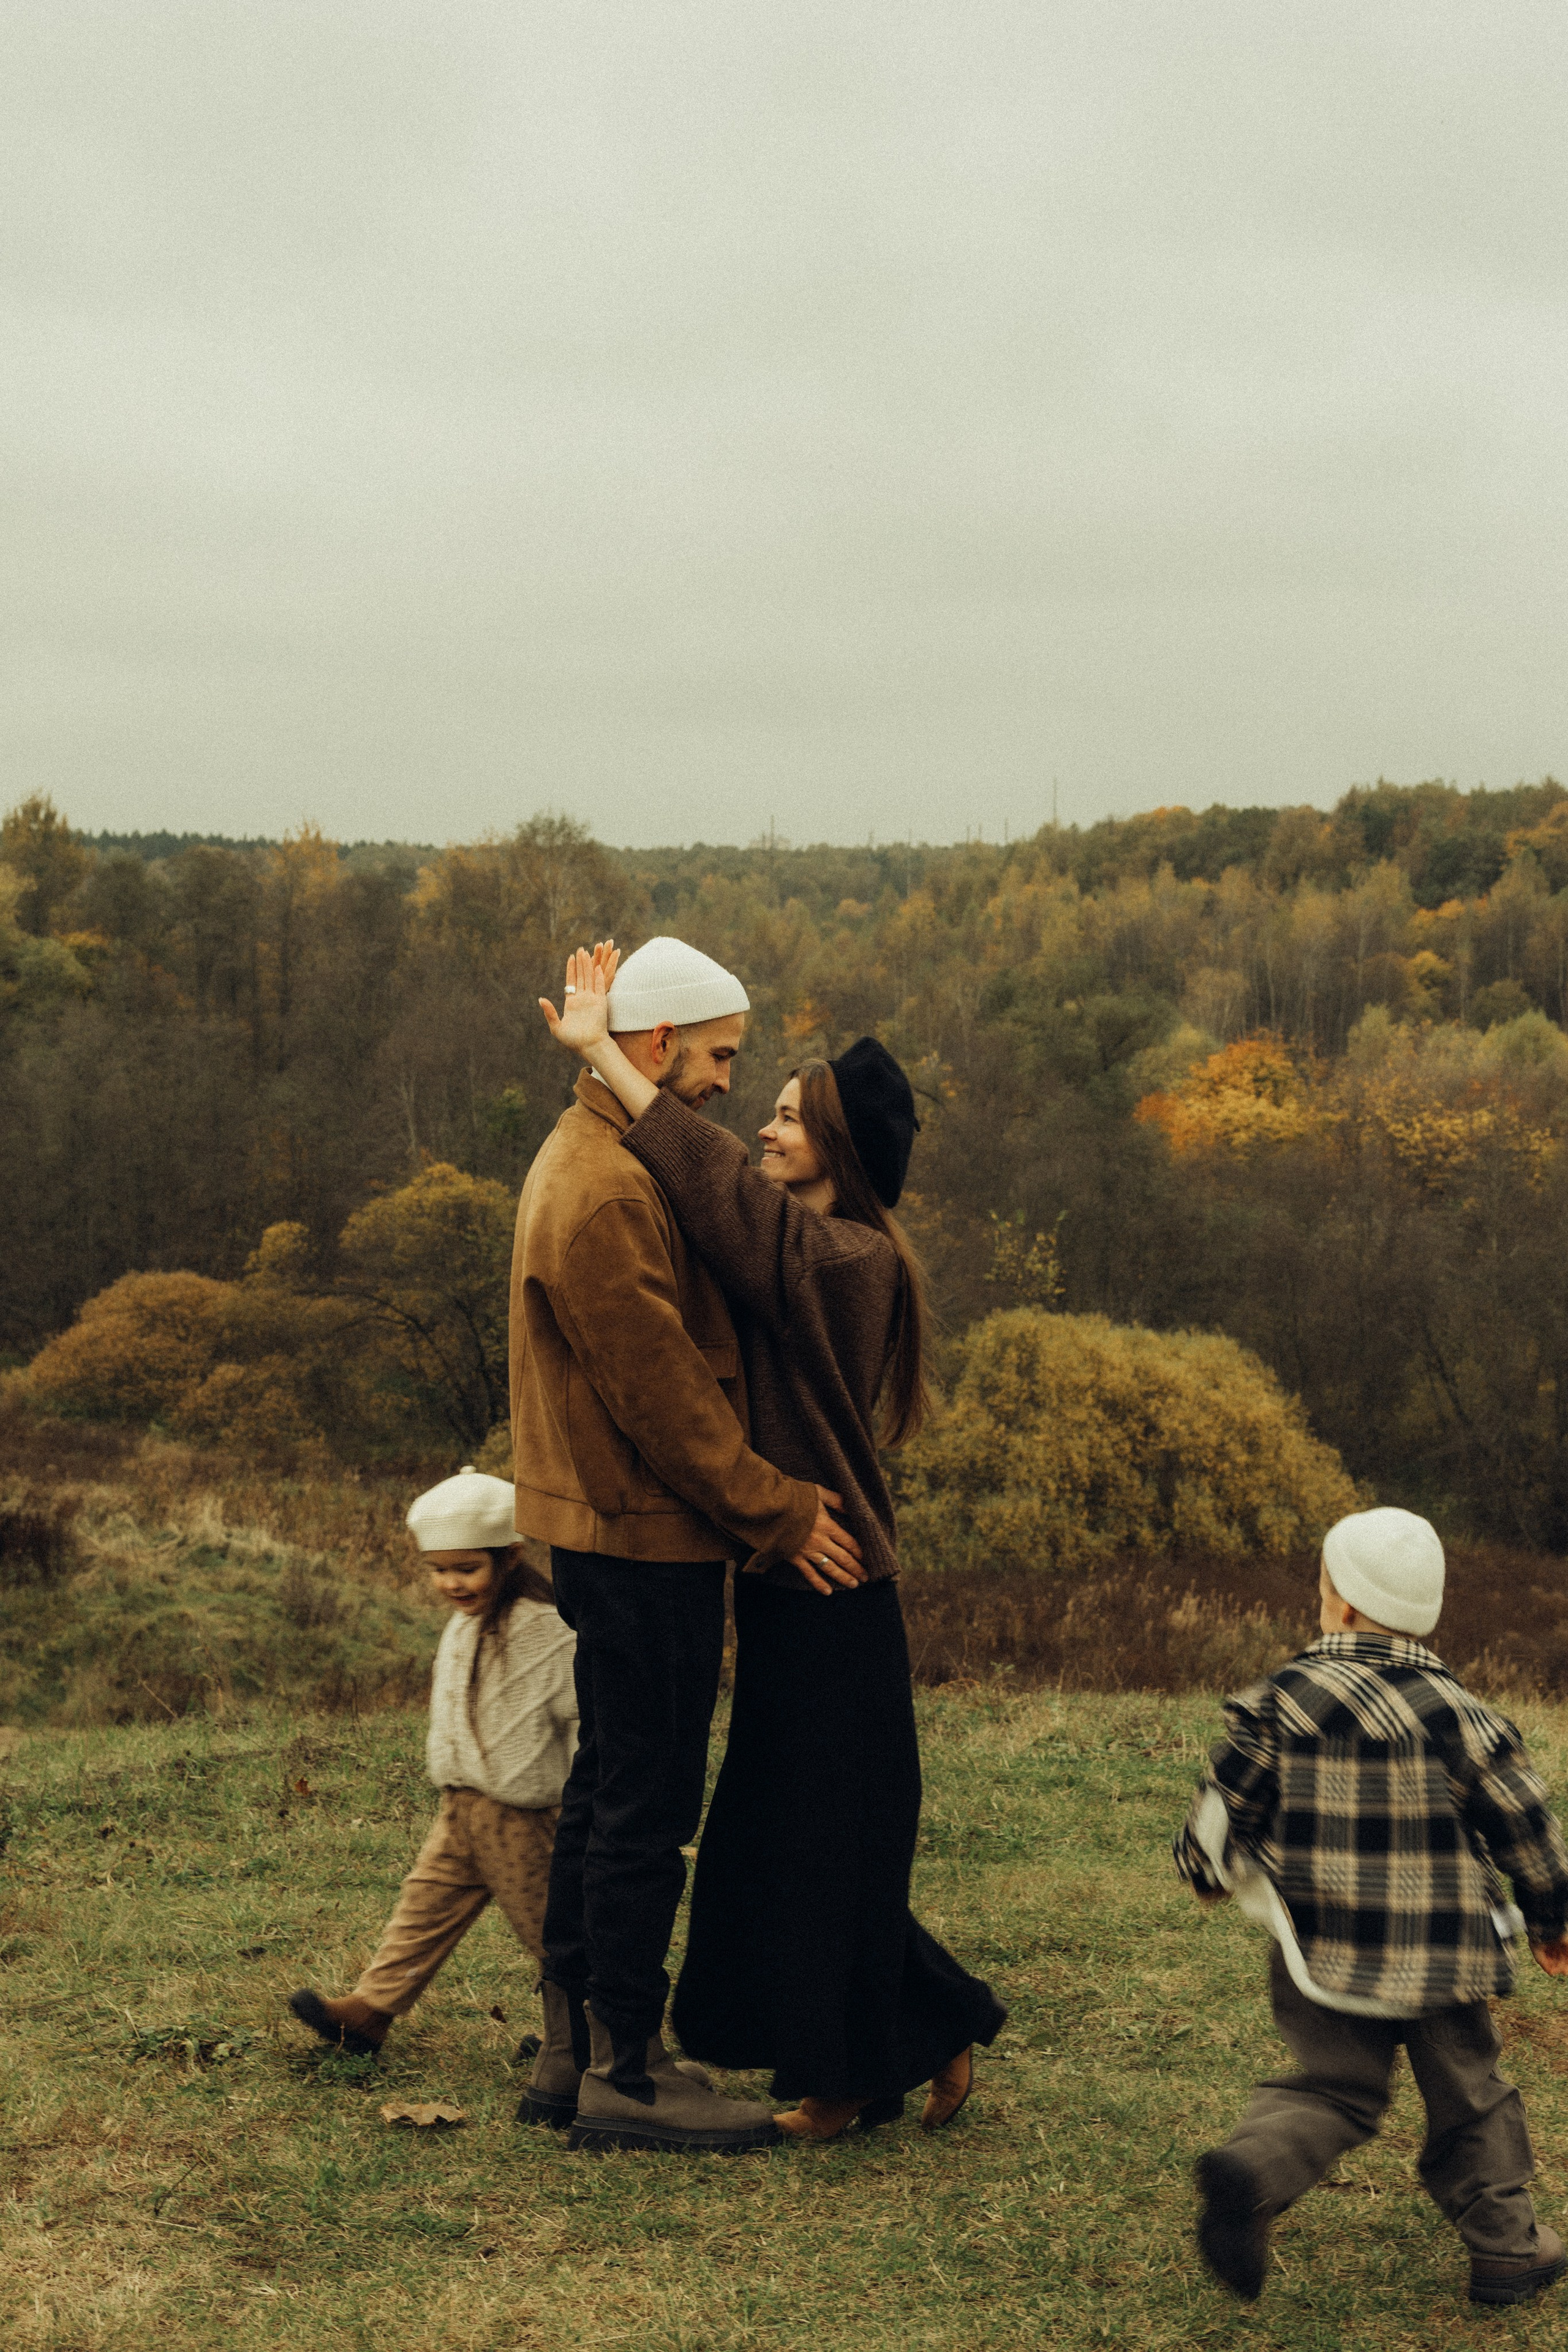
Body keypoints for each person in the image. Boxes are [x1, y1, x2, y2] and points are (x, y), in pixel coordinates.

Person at [542, 942, 1006, 2140]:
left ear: (838, 1154)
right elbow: (716, 1227)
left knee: (811, 1838)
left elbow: (729, 1209)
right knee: (788, 1833)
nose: (759, 1123)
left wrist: (607, 1057)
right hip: (788, 1570)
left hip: (834, 1574)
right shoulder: (798, 1259)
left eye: (790, 1118)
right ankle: (925, 2024)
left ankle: (848, 2080)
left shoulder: (844, 1264)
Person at [513, 933, 865, 2154]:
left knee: (608, 1787)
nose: (724, 1080)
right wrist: (777, 1505)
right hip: (641, 1537)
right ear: (658, 1044)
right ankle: (627, 2071)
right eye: (717, 1056)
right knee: (643, 1809)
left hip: (614, 1530)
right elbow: (661, 1395)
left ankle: (568, 2059)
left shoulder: (606, 1155)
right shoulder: (603, 1188)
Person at [1173, 1506, 1568, 2309]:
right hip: (1445, 1958)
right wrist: (1553, 1915)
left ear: (1342, 1604)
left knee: (1332, 2091)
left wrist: (1206, 1872)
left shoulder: (1278, 1702)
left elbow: (1221, 1811)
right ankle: (1507, 2255)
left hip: (1321, 1950)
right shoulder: (1462, 1715)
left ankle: (1253, 2172)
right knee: (1472, 2102)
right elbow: (1524, 1820)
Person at [287, 1466, 576, 2061]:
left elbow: (580, 1720)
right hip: (461, 1805)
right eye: (438, 1570)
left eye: (466, 1568)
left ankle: (589, 2043)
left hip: (521, 1815)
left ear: (512, 1556)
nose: (451, 1583)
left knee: (552, 1931)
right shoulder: (464, 1624)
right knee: (423, 1906)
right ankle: (368, 2014)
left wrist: (580, 1806)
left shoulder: (547, 1631)